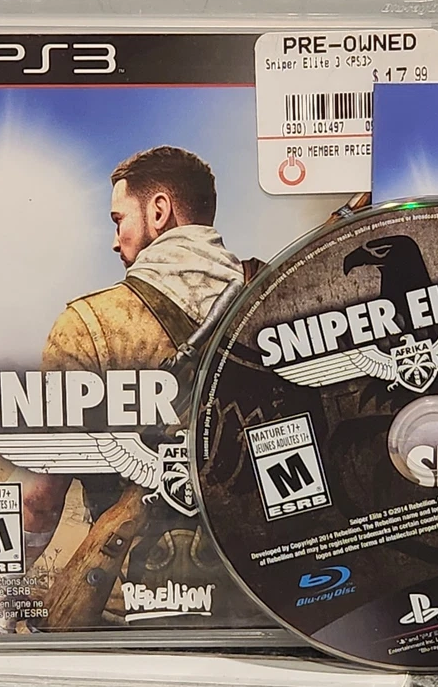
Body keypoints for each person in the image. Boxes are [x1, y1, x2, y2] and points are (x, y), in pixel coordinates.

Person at [15, 145, 262, 628]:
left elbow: (39, 499)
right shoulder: (278, 299)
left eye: (118, 220)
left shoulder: (88, 324)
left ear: (159, 211)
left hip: (127, 611)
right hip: (260, 606)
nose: (115, 241)